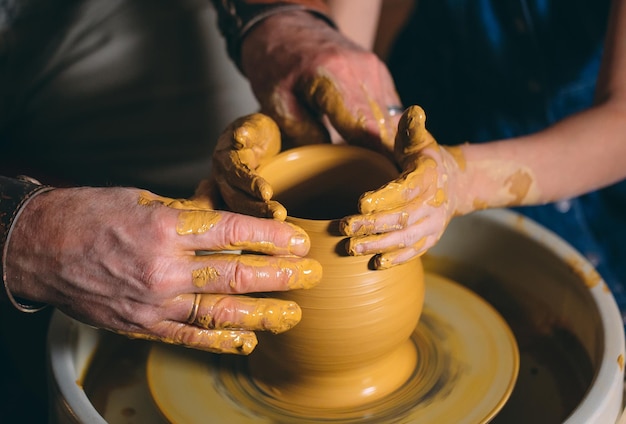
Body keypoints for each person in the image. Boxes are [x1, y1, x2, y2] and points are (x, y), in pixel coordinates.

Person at [208, 0, 626, 327]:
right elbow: (345, 41)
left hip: (581, 146)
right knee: (383, 214)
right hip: (433, 102)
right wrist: (334, 117)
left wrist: (458, 182)